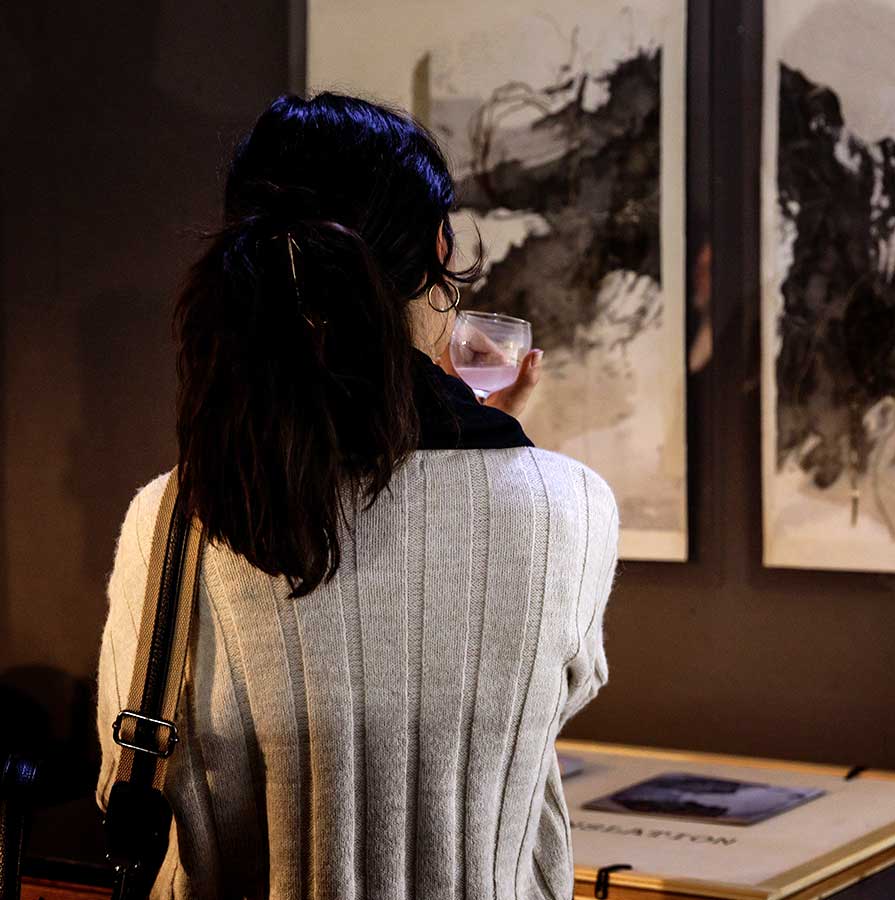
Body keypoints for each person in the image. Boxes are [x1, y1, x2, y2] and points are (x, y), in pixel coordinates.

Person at [93, 92, 619, 900]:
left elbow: (125, 787)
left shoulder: (170, 522)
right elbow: (533, 712)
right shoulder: (570, 506)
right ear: (439, 248)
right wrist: (500, 457)